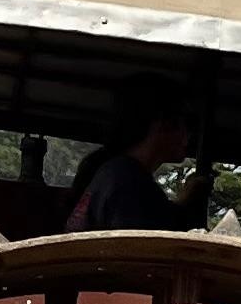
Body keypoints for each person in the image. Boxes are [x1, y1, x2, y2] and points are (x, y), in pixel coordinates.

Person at [63, 76, 197, 233]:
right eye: (187, 122)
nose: (189, 134)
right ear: (161, 123)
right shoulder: (130, 183)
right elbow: (141, 247)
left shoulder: (115, 173)